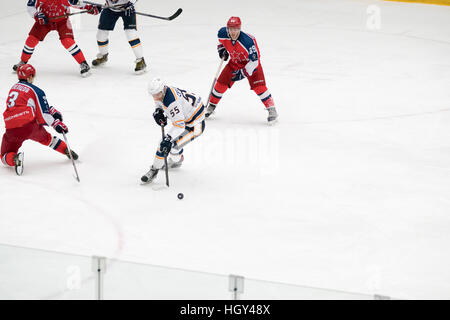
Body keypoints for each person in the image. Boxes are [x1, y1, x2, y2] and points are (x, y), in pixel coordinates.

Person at [1, 64, 78, 175]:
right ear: (30, 76)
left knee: (4, 155)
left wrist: (50, 109)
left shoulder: (13, 87)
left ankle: (15, 159)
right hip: (29, 126)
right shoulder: (36, 91)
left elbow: (23, 106)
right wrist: (56, 123)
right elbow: (43, 116)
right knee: (47, 139)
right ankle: (66, 150)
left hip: (12, 128)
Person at [205, 16, 278, 124]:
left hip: (251, 64)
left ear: (240, 29)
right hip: (234, 62)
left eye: (235, 29)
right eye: (230, 29)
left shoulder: (248, 42)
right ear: (227, 29)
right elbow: (221, 42)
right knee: (220, 84)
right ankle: (211, 106)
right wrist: (222, 49)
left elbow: (255, 61)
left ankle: (272, 109)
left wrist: (242, 73)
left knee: (259, 87)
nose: (233, 32)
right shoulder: (222, 33)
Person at [141, 78, 206, 184]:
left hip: (195, 126)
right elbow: (159, 102)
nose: (155, 97)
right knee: (172, 148)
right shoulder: (163, 91)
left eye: (157, 94)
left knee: (167, 145)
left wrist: (168, 138)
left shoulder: (172, 102)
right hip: (187, 119)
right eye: (153, 95)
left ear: (162, 90)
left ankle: (156, 169)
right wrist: (158, 110)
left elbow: (179, 126)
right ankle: (175, 161)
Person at [12, 0, 101, 77]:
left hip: (62, 20)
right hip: (45, 20)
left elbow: (76, 2)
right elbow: (30, 6)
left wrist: (91, 8)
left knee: (67, 41)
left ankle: (83, 64)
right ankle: (23, 62)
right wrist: (37, 15)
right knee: (31, 40)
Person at [89, 0, 147, 74]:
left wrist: (131, 3)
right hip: (110, 8)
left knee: (130, 34)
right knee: (101, 34)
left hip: (127, 8)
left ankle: (141, 60)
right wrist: (94, 6)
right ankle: (103, 56)